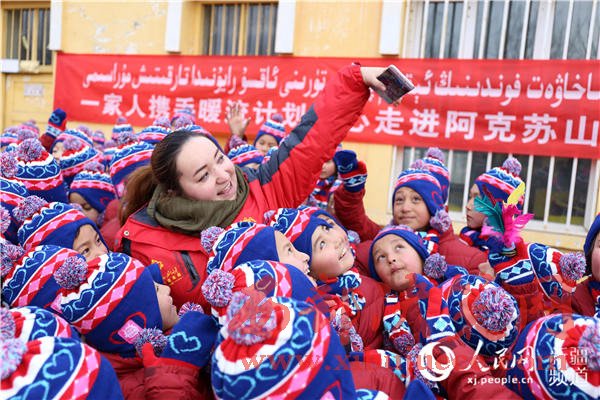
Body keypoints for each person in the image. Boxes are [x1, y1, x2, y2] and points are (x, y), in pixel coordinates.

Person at [116, 64, 389, 309]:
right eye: (203, 176)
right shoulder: (143, 242)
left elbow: (311, 142)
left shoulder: (264, 189)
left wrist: (356, 79)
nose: (223, 176)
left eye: (220, 159)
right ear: (174, 191)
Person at [333, 150, 488, 274]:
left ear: (433, 206)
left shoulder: (471, 259)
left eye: (416, 199)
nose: (405, 208)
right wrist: (352, 191)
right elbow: (355, 219)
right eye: (399, 200)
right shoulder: (380, 241)